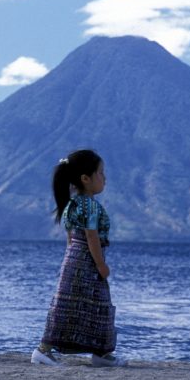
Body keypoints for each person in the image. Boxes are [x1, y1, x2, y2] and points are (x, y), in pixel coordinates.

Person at [31, 149, 126, 367]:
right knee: (93, 304)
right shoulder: (88, 205)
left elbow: (70, 238)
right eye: (101, 173)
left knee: (71, 305)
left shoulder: (72, 205)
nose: (105, 178)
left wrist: (71, 261)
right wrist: (101, 265)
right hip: (87, 260)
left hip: (73, 259)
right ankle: (45, 350)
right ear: (85, 178)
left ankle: (99, 353)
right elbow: (91, 236)